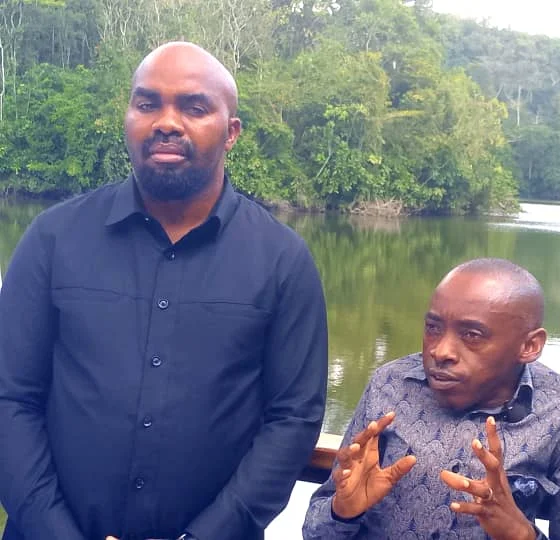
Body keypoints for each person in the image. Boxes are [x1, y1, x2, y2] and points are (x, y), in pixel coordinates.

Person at [0, 41, 329, 540]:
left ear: (231, 132)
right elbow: (10, 397)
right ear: (128, 117)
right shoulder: (52, 239)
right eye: (147, 103)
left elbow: (292, 420)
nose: (167, 122)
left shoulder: (283, 261)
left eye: (194, 108)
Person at [302, 258, 560, 539]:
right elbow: (317, 532)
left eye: (471, 335)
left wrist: (521, 535)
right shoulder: (391, 384)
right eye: (433, 328)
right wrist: (343, 511)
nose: (440, 351)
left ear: (529, 346)